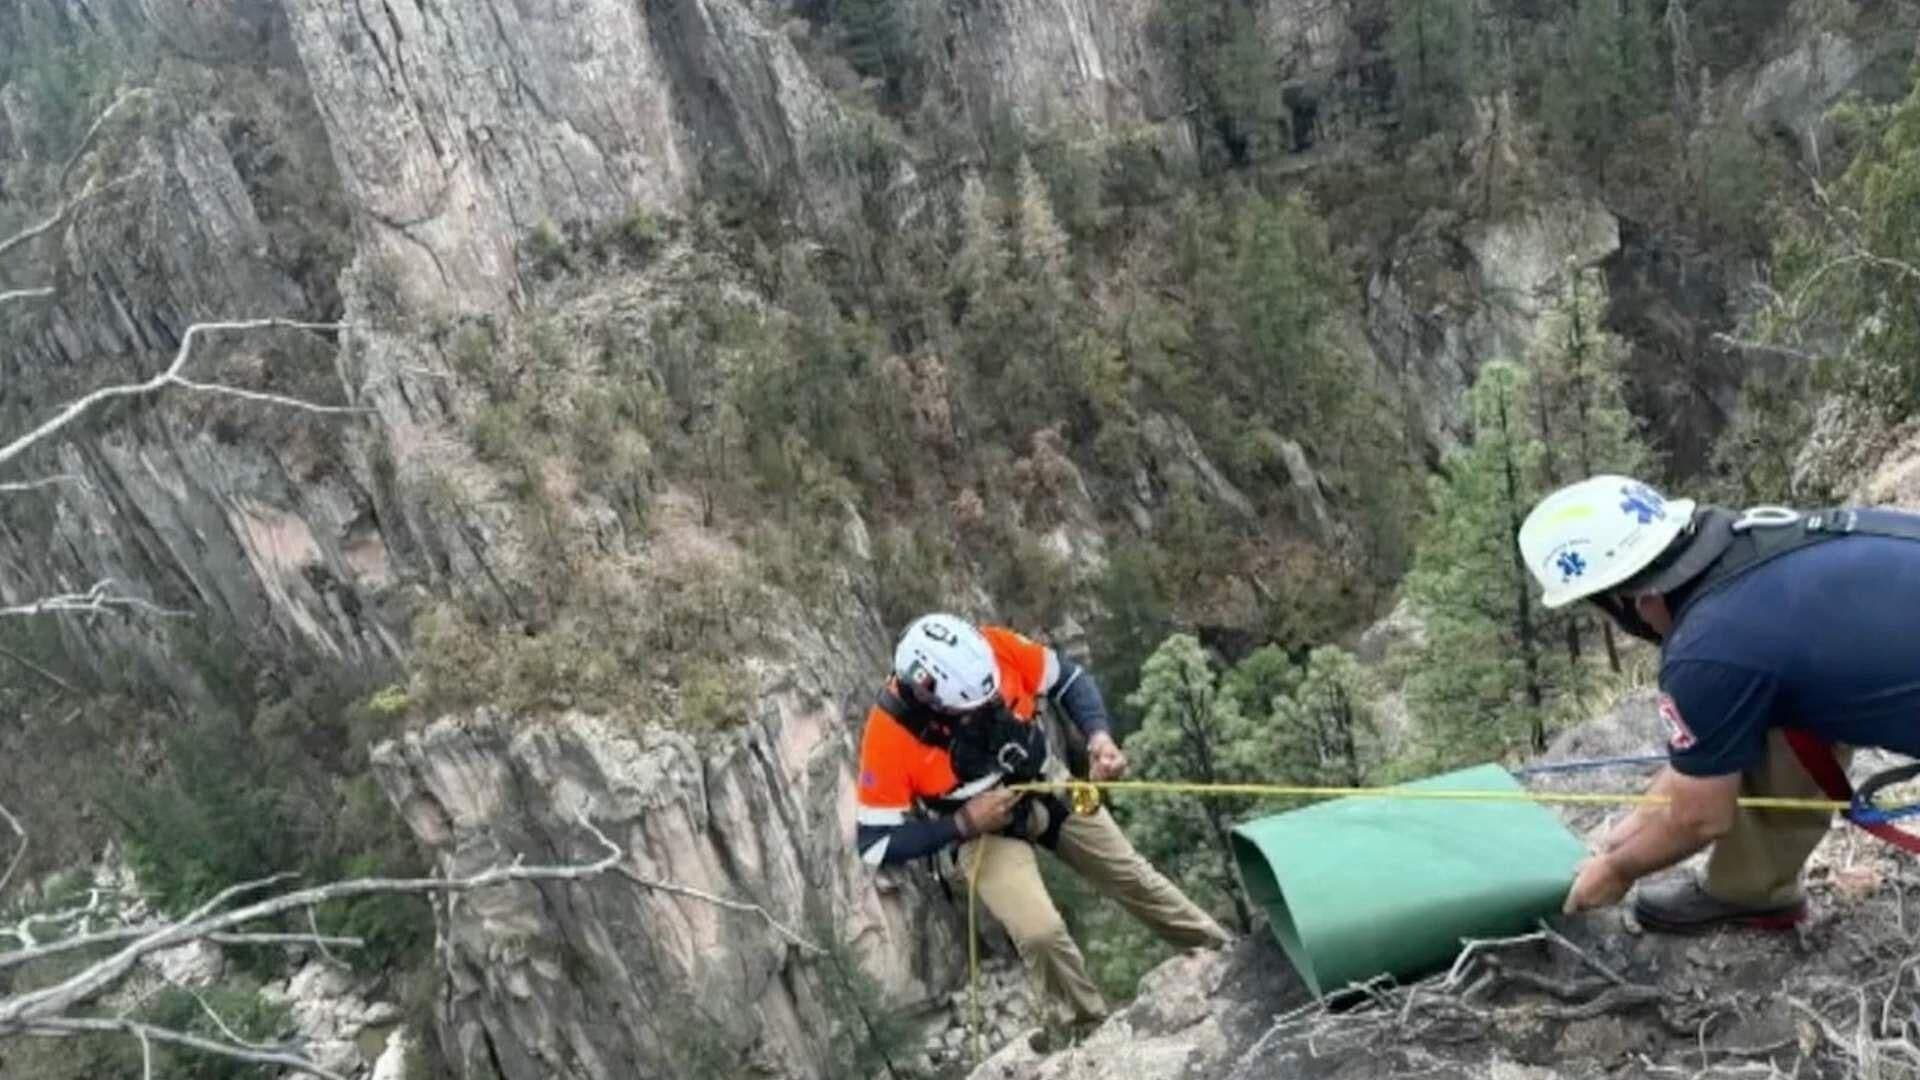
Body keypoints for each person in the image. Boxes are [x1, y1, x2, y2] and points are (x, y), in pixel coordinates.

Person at [1517, 474, 1920, 932]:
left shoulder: (1706, 650)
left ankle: (1751, 890)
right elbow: (1724, 720)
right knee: (1772, 709)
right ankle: (1751, 890)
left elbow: (1701, 817)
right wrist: (1646, 813)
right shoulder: (1747, 540)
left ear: (1631, 600)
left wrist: (1618, 871)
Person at [853, 613, 1232, 1045]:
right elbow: (876, 842)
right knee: (1041, 933)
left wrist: (1098, 737)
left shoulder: (994, 650)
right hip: (980, 829)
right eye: (972, 706)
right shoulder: (888, 735)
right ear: (930, 698)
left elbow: (1068, 680)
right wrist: (963, 822)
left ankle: (1221, 953)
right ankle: (1085, 1030)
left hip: (1043, 781)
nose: (986, 707)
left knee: (1132, 875)